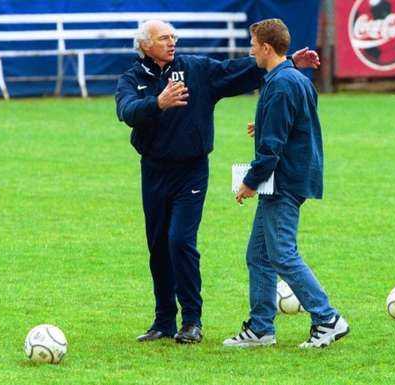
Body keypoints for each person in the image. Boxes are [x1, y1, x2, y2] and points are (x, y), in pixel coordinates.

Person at [115, 19, 320, 344]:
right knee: (158, 246)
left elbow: (241, 69)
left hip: (191, 171)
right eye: (164, 38)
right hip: (153, 171)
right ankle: (164, 321)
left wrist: (291, 60)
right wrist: (158, 103)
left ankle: (192, 321)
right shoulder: (132, 78)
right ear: (145, 45)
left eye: (174, 37)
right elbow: (126, 111)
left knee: (180, 241)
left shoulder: (195, 70)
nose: (172, 42)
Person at [223, 19, 349, 348]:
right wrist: (263, 121)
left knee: (281, 254)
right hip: (293, 175)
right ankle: (262, 328)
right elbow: (294, 121)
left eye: (253, 44)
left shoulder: (279, 84)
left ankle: (327, 318)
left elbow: (272, 148)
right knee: (259, 255)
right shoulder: (292, 78)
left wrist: (250, 182)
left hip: (284, 181)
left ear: (266, 47)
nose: (250, 51)